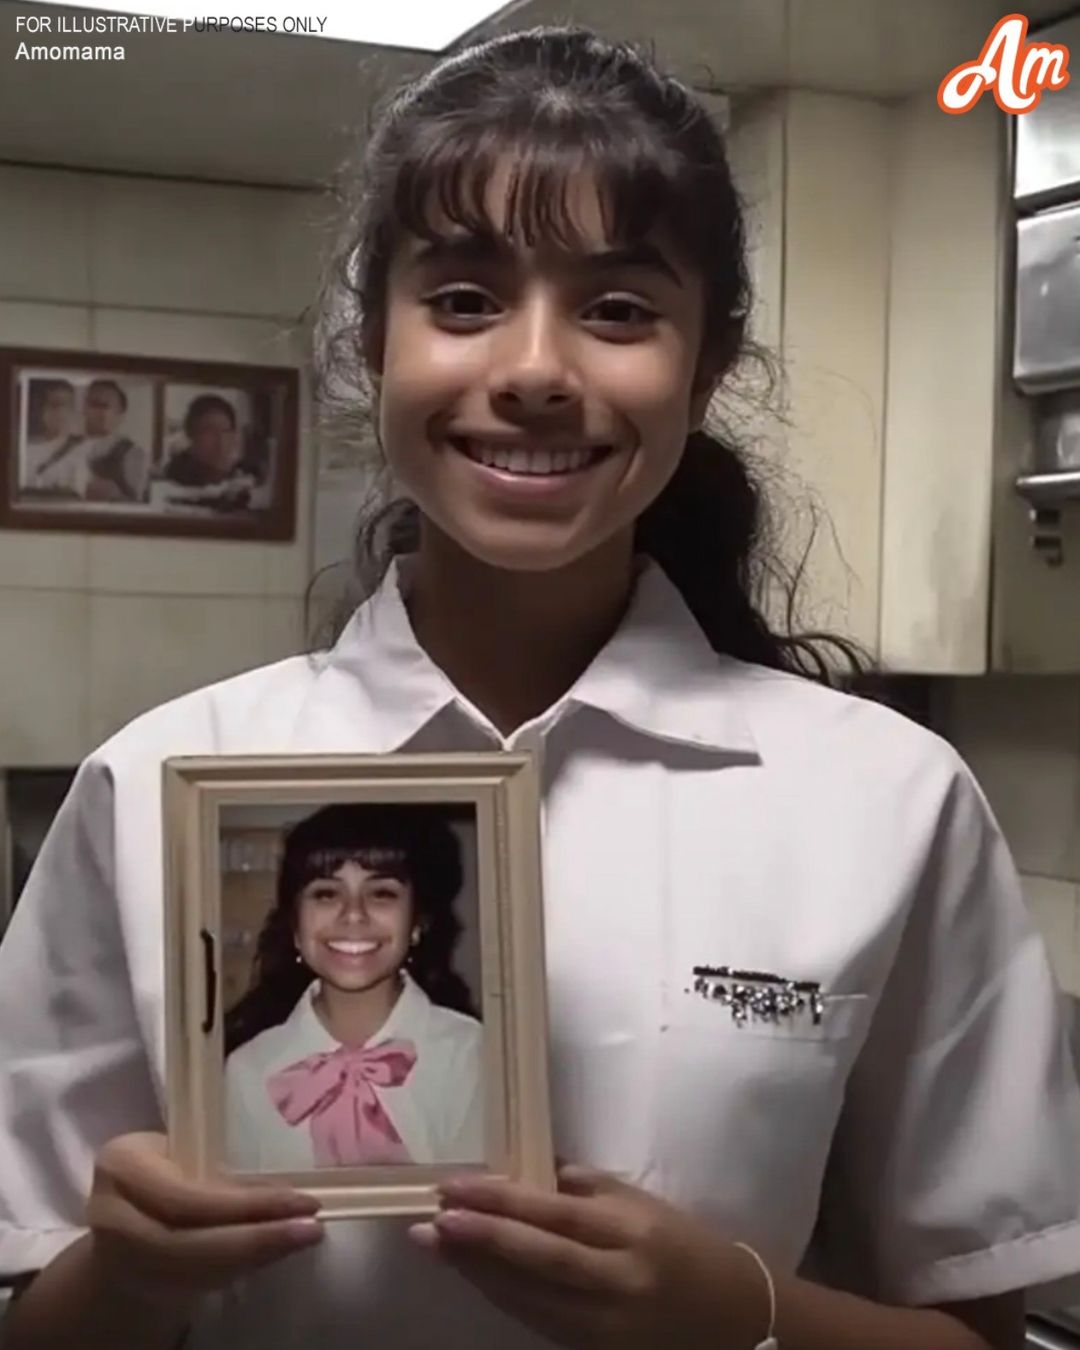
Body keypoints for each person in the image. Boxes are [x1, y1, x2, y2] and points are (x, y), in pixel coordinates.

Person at [2, 24, 1080, 1350]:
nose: (532, 369)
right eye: (461, 298)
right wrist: (128, 1270)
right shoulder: (157, 782)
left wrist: (736, 1309)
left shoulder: (890, 801)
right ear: (373, 338)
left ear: (710, 360)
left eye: (620, 308)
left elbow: (983, 1326)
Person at [224, 803, 483, 1172]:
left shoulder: (473, 1052)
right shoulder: (245, 1070)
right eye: (327, 894)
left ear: (417, 922)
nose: (354, 914)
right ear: (295, 927)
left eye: (382, 894)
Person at [76, 379, 151, 504]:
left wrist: (113, 495)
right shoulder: (70, 446)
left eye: (105, 406)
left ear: (120, 413)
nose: (98, 412)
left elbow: (137, 506)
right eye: (93, 404)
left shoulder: (133, 453)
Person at [164, 394, 246, 488]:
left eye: (226, 431)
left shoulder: (240, 476)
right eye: (209, 432)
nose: (220, 442)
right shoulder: (173, 479)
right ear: (191, 434)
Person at [21, 378, 82, 493]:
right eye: (54, 405)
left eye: (66, 405)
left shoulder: (81, 448)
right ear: (42, 409)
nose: (61, 411)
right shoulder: (23, 449)